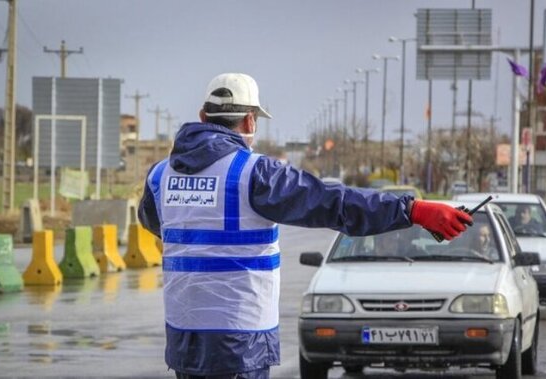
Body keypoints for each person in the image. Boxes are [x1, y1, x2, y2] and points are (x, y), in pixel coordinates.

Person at [137, 72, 474, 379]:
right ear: (250, 121)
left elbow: (159, 225)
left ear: (202, 116)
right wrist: (411, 210)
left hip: (183, 335)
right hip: (239, 338)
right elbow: (334, 203)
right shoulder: (254, 173)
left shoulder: (159, 175)